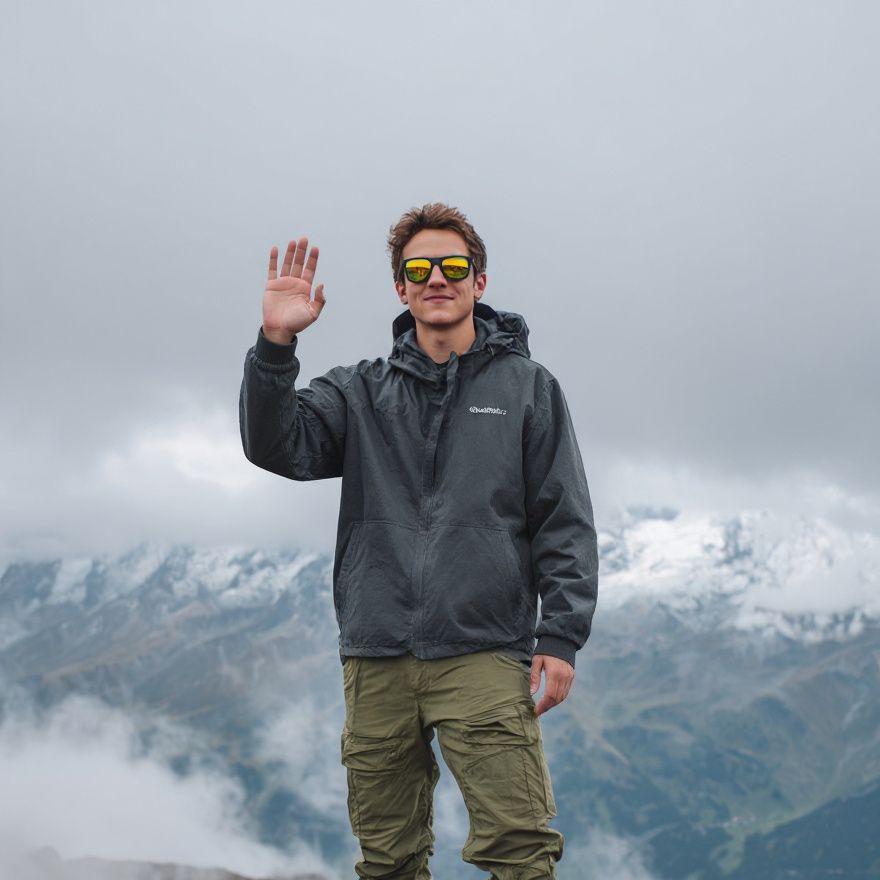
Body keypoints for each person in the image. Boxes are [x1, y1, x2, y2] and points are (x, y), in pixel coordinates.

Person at [240, 203, 598, 880]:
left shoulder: (529, 389)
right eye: (420, 269)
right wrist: (275, 344)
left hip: (484, 651)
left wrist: (561, 636)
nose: (438, 278)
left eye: (454, 266)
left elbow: (564, 517)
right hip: (377, 654)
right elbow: (275, 445)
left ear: (479, 282)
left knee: (520, 850)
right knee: (388, 860)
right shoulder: (358, 391)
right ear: (401, 288)